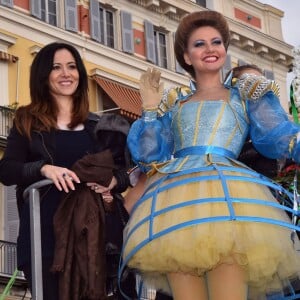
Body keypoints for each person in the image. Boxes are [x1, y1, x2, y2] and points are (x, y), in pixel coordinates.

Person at [121, 10, 300, 300]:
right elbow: (149, 155)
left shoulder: (246, 92)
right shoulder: (173, 102)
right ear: (186, 56)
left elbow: (277, 135)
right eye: (199, 44)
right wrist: (151, 111)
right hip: (176, 202)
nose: (210, 49)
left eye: (216, 42)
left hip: (230, 200)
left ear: (225, 50)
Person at [0, 42, 135, 299]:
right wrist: (44, 169)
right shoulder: (27, 120)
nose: (66, 73)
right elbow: (6, 170)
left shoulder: (99, 125)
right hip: (45, 238)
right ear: (43, 75)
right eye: (56, 67)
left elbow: (123, 171)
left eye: (72, 67)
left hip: (97, 237)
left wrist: (114, 182)